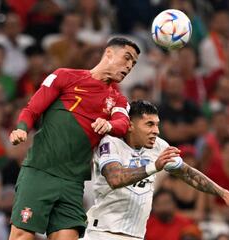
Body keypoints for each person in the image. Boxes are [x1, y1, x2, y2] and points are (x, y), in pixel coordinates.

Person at [8, 37, 140, 240]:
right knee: (22, 235)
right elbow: (32, 109)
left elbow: (123, 124)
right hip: (40, 171)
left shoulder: (118, 99)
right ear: (109, 53)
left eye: (134, 63)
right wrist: (21, 129)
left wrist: (109, 125)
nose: (129, 66)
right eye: (127, 58)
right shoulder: (64, 76)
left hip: (73, 182)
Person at [83, 100, 229, 240]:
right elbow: (115, 178)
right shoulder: (110, 142)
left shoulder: (159, 146)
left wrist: (224, 194)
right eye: (149, 124)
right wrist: (154, 166)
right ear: (131, 125)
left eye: (157, 125)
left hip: (136, 235)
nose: (155, 131)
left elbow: (187, 173)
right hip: (102, 233)